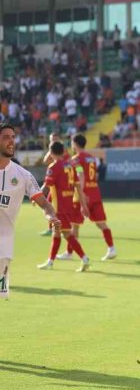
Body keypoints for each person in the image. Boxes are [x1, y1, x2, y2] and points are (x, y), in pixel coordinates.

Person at [0, 124, 61, 297]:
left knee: (1, 292)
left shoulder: (23, 176)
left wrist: (51, 216)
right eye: (6, 137)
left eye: (13, 137)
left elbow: (45, 203)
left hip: (3, 246)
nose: (11, 141)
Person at [36, 142, 90, 272]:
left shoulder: (53, 167)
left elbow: (46, 186)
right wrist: (83, 206)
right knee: (57, 233)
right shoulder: (71, 166)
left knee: (66, 234)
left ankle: (84, 258)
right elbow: (78, 187)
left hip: (58, 206)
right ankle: (50, 261)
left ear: (51, 152)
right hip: (68, 205)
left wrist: (35, 196)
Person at [66, 134, 116, 261]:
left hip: (83, 194)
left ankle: (69, 252)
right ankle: (111, 248)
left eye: (72, 142)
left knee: (74, 224)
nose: (71, 144)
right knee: (101, 223)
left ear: (75, 144)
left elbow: (80, 174)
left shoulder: (76, 159)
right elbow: (96, 175)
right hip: (95, 192)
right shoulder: (92, 158)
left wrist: (81, 193)